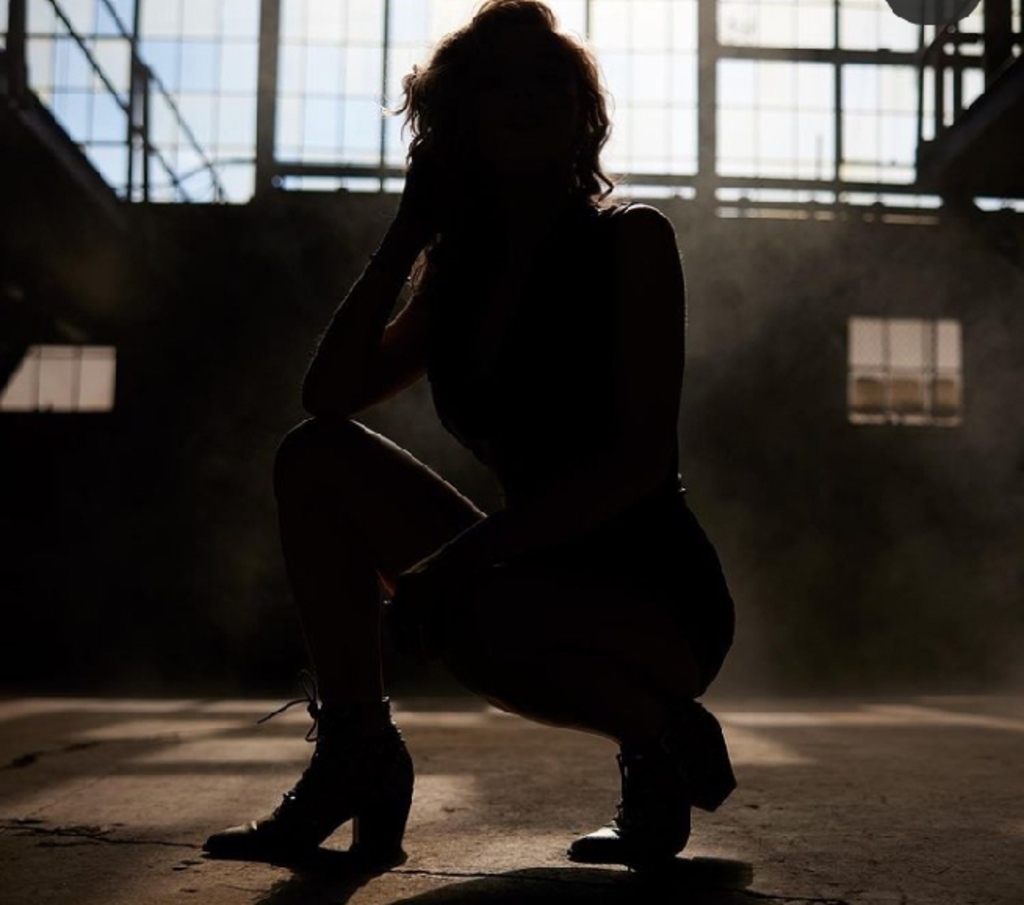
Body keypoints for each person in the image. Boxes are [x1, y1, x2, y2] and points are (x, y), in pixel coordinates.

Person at [203, 0, 736, 871]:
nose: (526, 96)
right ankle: (358, 753)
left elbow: (638, 464)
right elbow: (328, 396)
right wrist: (408, 230)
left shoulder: (631, 240)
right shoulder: (461, 272)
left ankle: (660, 733)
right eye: (497, 81)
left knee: (470, 615)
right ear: (460, 118)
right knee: (314, 457)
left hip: (655, 598)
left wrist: (452, 566)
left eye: (549, 77)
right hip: (526, 571)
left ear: (583, 110)